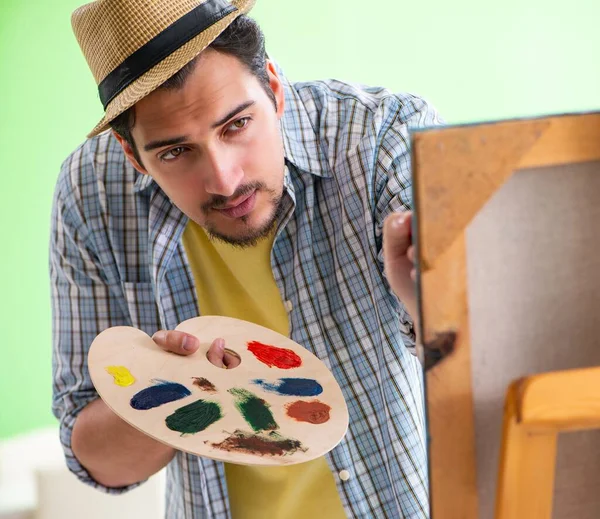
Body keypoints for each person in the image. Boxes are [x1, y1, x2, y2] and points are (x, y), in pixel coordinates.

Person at [50, 0, 443, 517]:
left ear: (275, 88)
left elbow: (488, 349)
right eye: (175, 153)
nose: (225, 180)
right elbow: (102, 464)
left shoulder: (380, 137)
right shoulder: (92, 193)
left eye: (236, 125)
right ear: (133, 155)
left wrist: (429, 305)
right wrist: (176, 393)